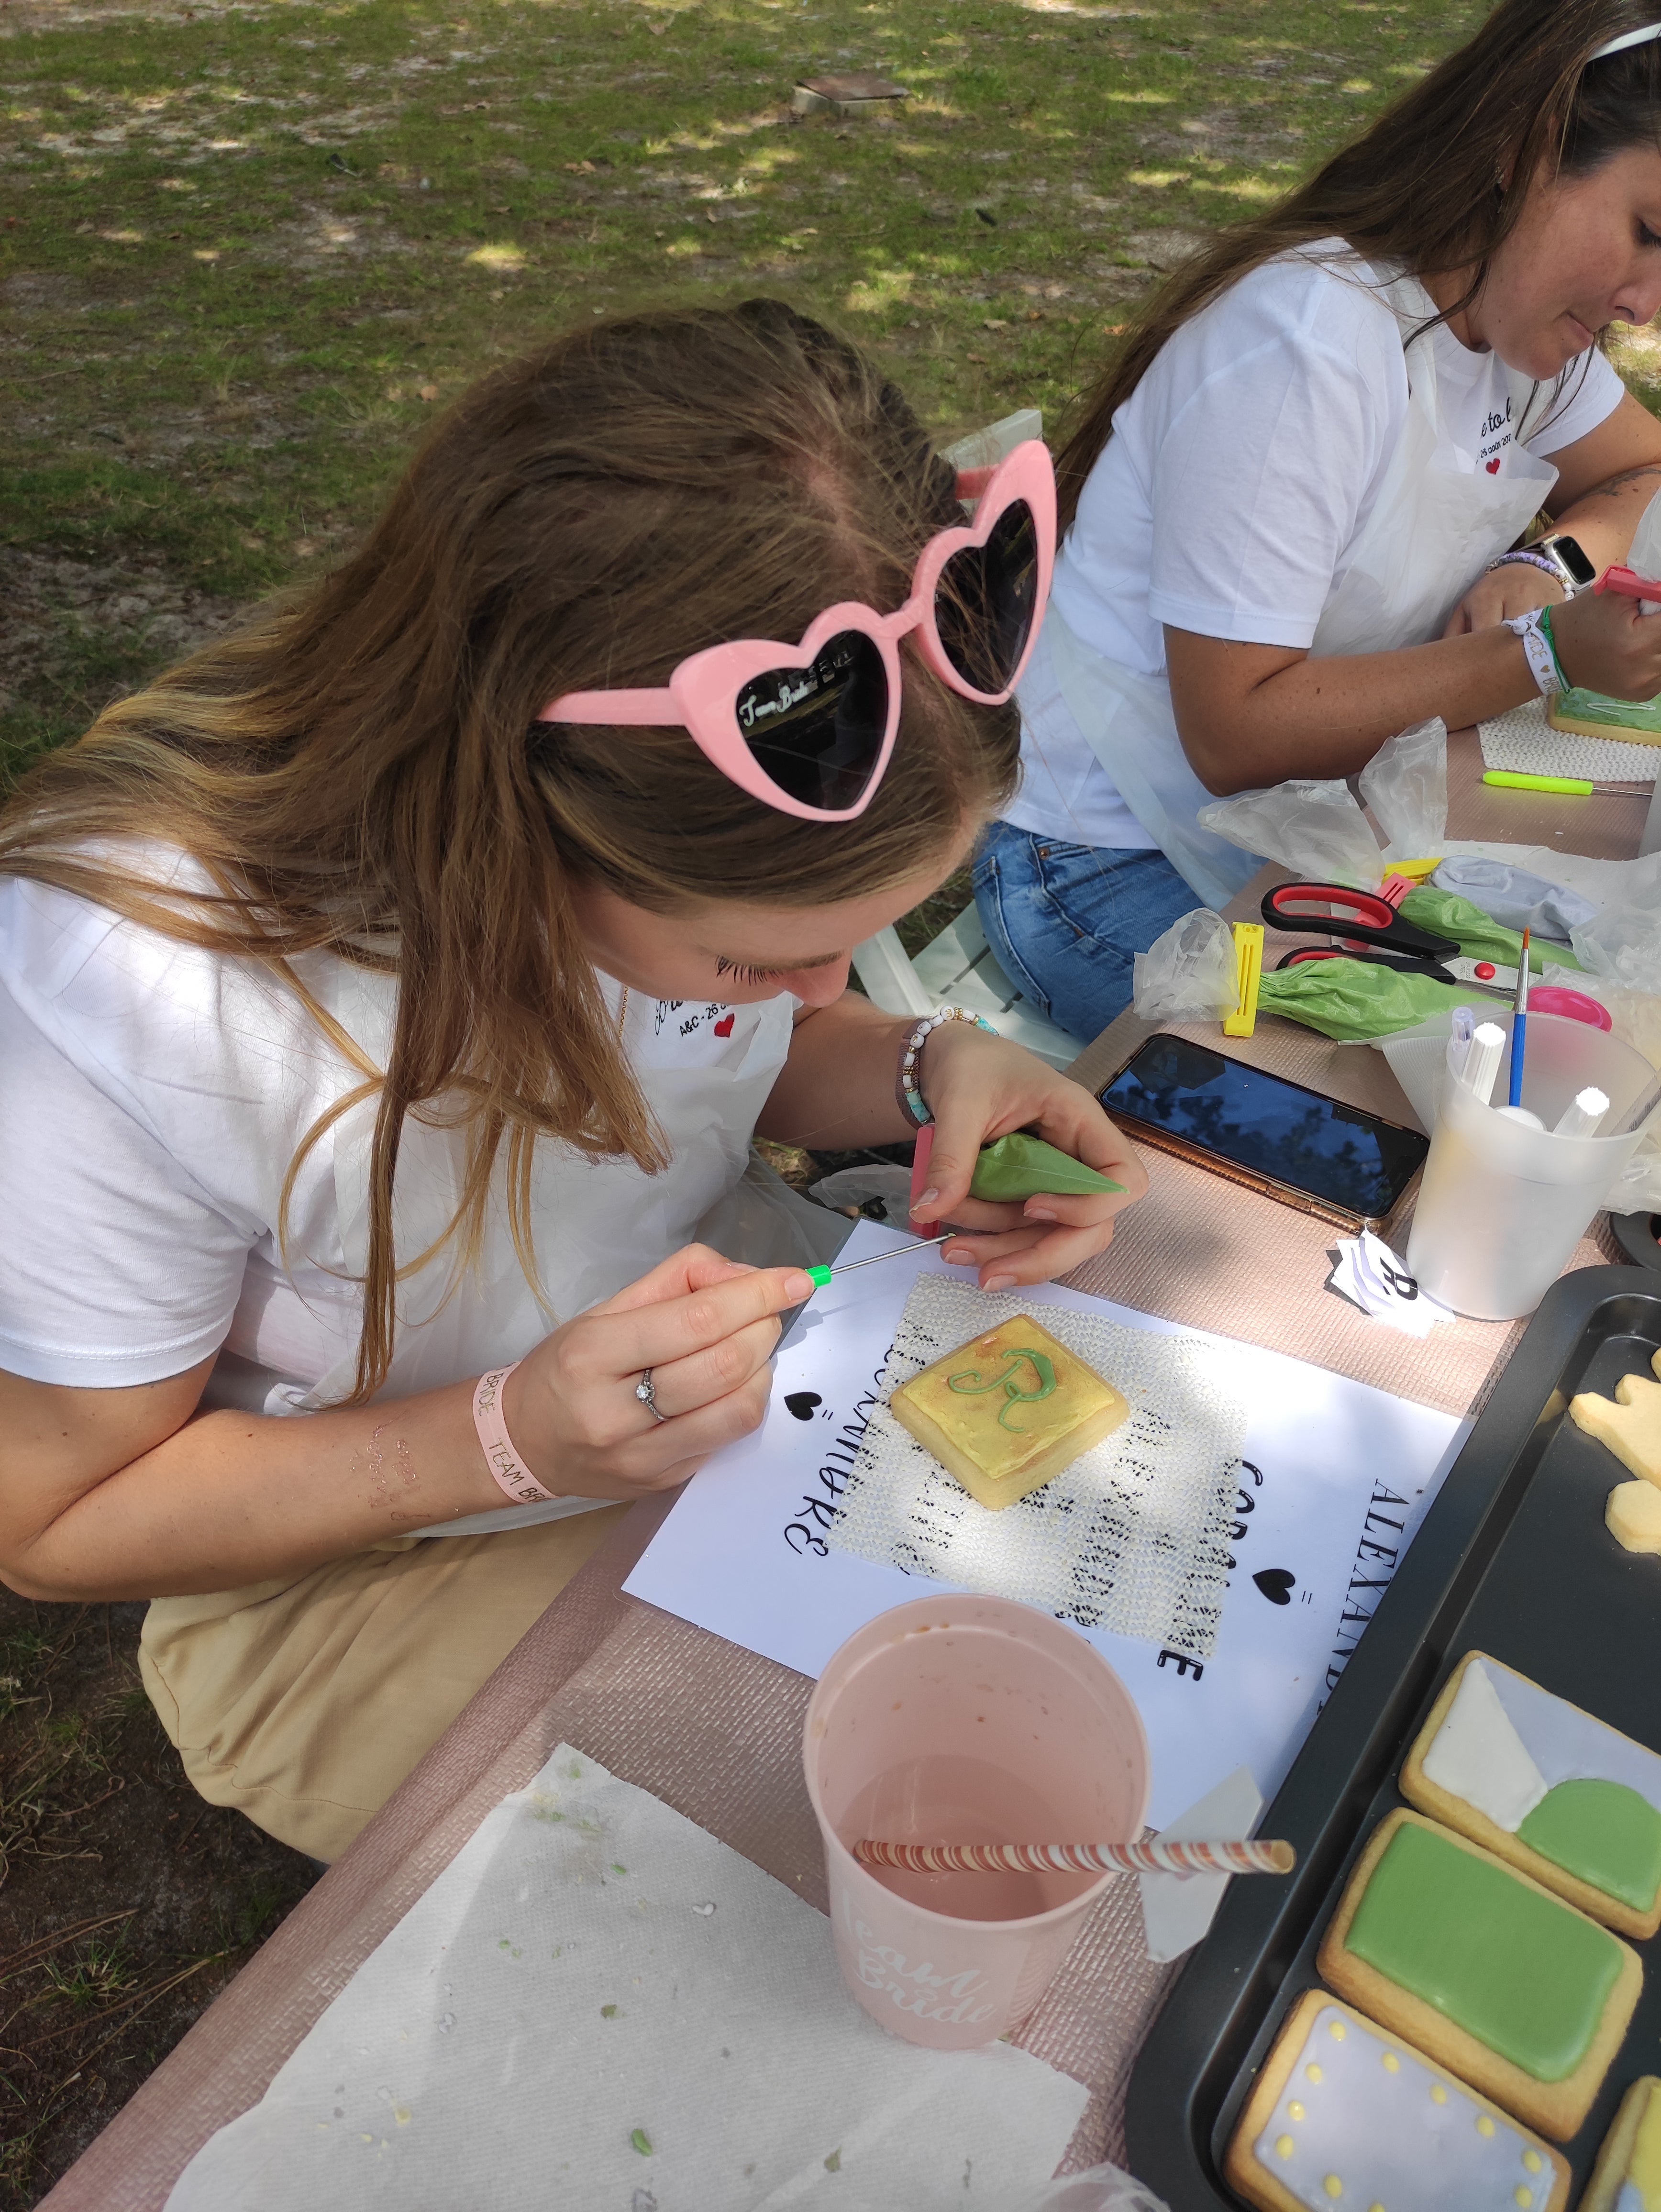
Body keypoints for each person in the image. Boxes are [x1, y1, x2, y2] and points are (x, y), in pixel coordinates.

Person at [0, 301, 1146, 1863]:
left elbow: (720, 1061)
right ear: (512, 829)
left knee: (1066, 1678)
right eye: (760, 960)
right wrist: (505, 1441)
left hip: (716, 1416)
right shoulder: (138, 995)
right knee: (851, 1832)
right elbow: (53, 1520)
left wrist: (938, 1063)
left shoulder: (690, 846)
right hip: (360, 1570)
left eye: (869, 943)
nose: (830, 992)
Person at [978, 0, 1661, 1043]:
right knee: (1473, 1063)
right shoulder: (1306, 343)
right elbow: (1237, 730)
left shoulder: (1522, 338)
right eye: (1645, 232)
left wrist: (1551, 556)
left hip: (1299, 828)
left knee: (1582, 997)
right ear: (1520, 150)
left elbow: (1647, 466)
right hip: (1094, 865)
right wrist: (1543, 653)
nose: (1645, 304)